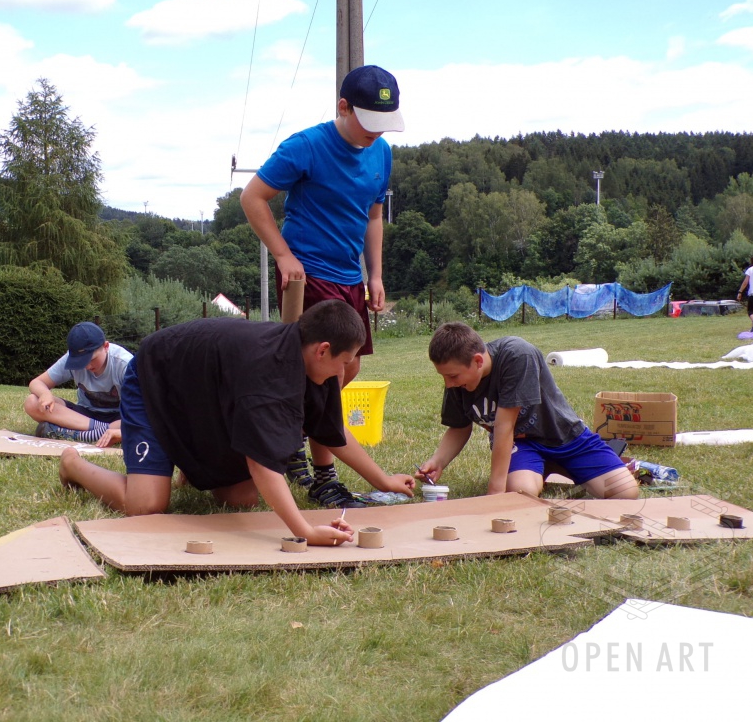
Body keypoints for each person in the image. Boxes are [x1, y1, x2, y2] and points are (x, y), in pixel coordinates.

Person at [58, 300, 417, 546]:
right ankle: (73, 466)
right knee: (147, 505)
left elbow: (333, 432)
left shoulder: (311, 364)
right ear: (322, 349)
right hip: (157, 378)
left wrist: (383, 480)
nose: (345, 370)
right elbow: (261, 464)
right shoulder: (268, 377)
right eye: (346, 361)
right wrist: (305, 530)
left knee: (242, 498)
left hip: (202, 395)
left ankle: (189, 464)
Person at [240, 64, 405, 507]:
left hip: (350, 278)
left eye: (383, 124)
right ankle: (324, 478)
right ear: (343, 107)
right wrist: (282, 254)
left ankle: (294, 435)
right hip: (308, 275)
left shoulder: (381, 152)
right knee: (326, 374)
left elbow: (373, 215)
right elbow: (252, 197)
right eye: (368, 122)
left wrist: (375, 274)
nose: (375, 133)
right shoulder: (305, 146)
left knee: (348, 370)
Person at [414, 322, 639, 500]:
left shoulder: (517, 355)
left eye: (452, 376)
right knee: (521, 493)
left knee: (625, 492)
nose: (449, 384)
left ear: (478, 361)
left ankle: (558, 465)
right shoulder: (457, 383)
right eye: (444, 377)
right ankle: (541, 467)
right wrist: (438, 461)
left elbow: (504, 425)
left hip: (566, 437)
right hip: (521, 445)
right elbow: (459, 427)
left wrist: (494, 494)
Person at [24, 321, 133, 444]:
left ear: (106, 346)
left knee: (140, 419)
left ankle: (77, 434)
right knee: (32, 402)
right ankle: (102, 431)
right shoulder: (71, 358)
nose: (87, 366)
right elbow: (37, 382)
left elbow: (141, 408)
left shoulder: (125, 364)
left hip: (119, 416)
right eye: (81, 362)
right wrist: (45, 393)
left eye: (91, 359)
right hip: (84, 416)